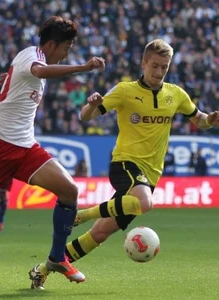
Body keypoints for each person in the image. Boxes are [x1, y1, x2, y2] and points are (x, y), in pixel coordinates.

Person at [34, 38, 219, 288]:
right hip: (125, 163)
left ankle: (43, 269)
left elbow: (199, 119)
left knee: (100, 234)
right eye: (154, 65)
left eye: (164, 67)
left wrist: (211, 120)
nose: (158, 71)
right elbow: (85, 116)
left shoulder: (175, 95)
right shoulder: (125, 91)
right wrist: (91, 106)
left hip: (150, 175)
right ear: (143, 63)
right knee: (145, 203)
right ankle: (81, 215)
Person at [0, 15, 104, 290]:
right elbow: (39, 71)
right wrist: (84, 67)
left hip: (25, 147)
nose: (67, 54)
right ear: (52, 44)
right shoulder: (33, 55)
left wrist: (8, 77)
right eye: (66, 48)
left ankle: (56, 258)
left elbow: (26, 73)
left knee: (70, 191)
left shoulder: (30, 58)